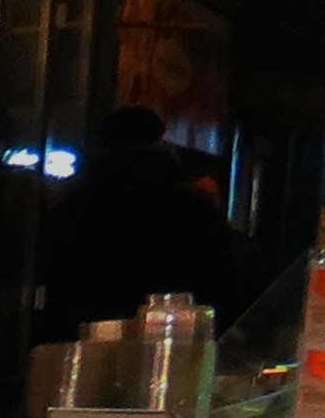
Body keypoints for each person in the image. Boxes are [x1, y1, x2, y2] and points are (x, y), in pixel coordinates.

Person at [37, 105, 246, 337]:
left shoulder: (75, 202)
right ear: (159, 139)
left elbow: (54, 276)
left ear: (104, 141)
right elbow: (223, 279)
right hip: (168, 336)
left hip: (88, 337)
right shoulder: (191, 204)